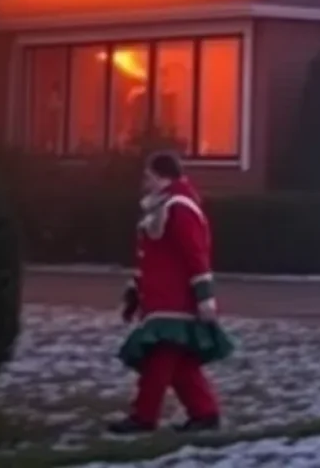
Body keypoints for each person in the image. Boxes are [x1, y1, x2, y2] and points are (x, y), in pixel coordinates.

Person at [108, 151, 234, 435]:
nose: (145, 182)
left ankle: (144, 417)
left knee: (158, 360)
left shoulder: (179, 208)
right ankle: (205, 413)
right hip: (164, 299)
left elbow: (195, 255)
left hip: (174, 302)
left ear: (160, 175)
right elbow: (152, 259)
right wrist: (135, 292)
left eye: (148, 176)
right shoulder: (164, 208)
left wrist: (204, 296)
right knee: (179, 364)